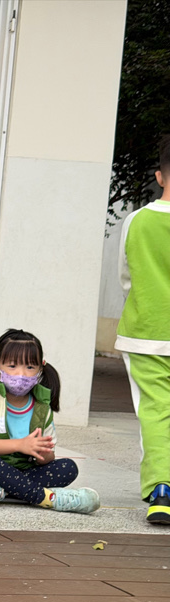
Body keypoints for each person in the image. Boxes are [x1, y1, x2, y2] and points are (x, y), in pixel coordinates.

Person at [0, 329, 100, 513]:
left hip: (23, 471)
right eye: (12, 366)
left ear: (41, 368)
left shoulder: (42, 406)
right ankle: (47, 498)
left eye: (30, 367)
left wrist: (43, 455)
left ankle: (0, 491)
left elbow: (48, 456)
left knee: (68, 468)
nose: (21, 374)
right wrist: (20, 445)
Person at [115, 134, 170, 524]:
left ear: (159, 176)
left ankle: (162, 490)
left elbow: (126, 277)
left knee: (155, 412)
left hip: (146, 332)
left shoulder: (136, 220)